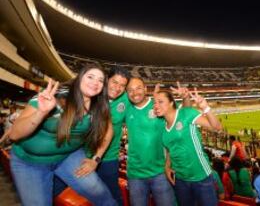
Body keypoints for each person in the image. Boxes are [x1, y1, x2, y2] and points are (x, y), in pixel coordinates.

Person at [9, 64, 117, 206]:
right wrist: (41, 113)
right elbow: (14, 135)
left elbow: (109, 131)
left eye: (100, 80)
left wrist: (96, 159)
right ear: (79, 78)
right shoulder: (55, 96)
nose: (95, 83)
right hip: (30, 163)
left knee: (98, 191)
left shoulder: (100, 106)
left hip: (68, 156)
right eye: (90, 77)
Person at [53, 65, 130, 205]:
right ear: (106, 80)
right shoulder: (91, 93)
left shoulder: (126, 99)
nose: (118, 88)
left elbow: (110, 130)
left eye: (122, 85)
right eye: (115, 82)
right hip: (78, 154)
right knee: (54, 189)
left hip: (108, 158)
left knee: (111, 195)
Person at [154, 88, 222, 206]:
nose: (156, 105)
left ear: (171, 103)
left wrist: (205, 108)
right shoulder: (163, 126)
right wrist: (167, 166)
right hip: (180, 179)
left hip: (201, 177)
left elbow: (217, 127)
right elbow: (171, 149)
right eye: (154, 102)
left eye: (160, 102)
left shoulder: (186, 113)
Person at [125, 77, 175, 206]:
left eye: (138, 88)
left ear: (146, 89)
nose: (135, 93)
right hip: (135, 175)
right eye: (130, 90)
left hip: (160, 172)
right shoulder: (126, 108)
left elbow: (181, 115)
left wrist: (186, 98)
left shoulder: (158, 105)